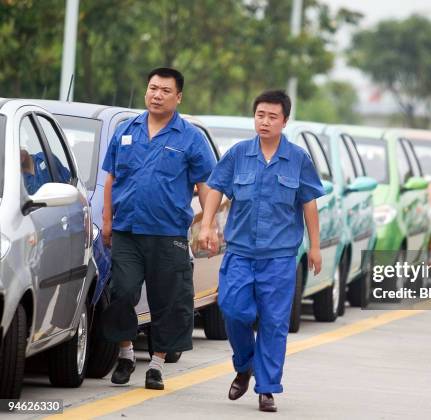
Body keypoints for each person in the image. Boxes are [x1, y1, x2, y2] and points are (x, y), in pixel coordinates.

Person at [199, 90, 325, 412]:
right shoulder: (239, 154)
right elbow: (216, 188)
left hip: (280, 257)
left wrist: (315, 247)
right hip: (240, 252)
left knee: (273, 322)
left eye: (272, 116)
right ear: (254, 117)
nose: (265, 121)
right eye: (260, 115)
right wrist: (207, 224)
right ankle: (244, 365)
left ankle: (267, 388)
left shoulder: (298, 159)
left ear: (284, 121)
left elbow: (309, 202)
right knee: (232, 308)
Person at [100, 67, 216, 390]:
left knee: (169, 300)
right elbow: (110, 178)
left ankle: (157, 364)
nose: (157, 95)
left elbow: (207, 183)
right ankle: (125, 353)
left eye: (165, 90)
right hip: (127, 231)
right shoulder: (127, 130)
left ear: (178, 96)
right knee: (122, 292)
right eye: (153, 88)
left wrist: (207, 225)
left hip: (168, 235)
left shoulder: (190, 137)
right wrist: (107, 221)